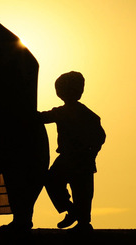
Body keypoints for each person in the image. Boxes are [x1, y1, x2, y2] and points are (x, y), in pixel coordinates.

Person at [39, 71, 106, 231]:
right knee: (81, 190)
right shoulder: (89, 115)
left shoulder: (63, 112)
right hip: (82, 158)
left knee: (63, 184)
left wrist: (91, 151)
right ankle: (79, 216)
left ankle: (76, 215)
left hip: (72, 157)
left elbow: (42, 117)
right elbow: (100, 136)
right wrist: (92, 152)